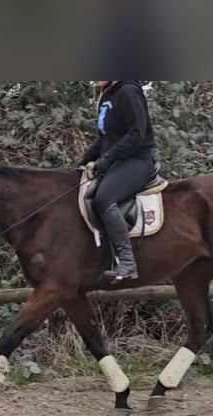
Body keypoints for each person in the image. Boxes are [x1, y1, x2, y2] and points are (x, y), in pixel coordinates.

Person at [76, 81, 157, 283]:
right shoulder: (107, 95)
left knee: (104, 198)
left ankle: (127, 263)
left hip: (137, 161)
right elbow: (105, 138)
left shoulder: (128, 92)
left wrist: (107, 159)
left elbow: (137, 134)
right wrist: (82, 162)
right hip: (118, 161)